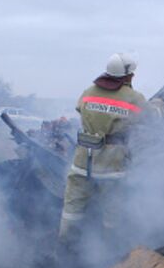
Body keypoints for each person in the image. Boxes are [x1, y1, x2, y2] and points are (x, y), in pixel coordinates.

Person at [58, 53, 147, 252]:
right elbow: (150, 119)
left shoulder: (88, 92)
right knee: (113, 213)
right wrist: (159, 106)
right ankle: (108, 254)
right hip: (112, 166)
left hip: (82, 162)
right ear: (127, 76)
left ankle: (64, 249)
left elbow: (80, 109)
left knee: (72, 208)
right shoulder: (134, 98)